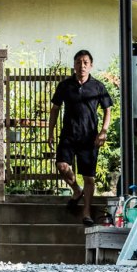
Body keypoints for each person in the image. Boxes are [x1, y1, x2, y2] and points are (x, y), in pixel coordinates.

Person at [47, 49, 112, 226]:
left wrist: (103, 131)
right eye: (78, 62)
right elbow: (55, 109)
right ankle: (76, 190)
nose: (82, 66)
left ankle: (86, 212)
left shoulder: (98, 86)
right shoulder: (65, 85)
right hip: (68, 135)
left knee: (89, 177)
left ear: (90, 65)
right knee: (62, 166)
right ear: (74, 65)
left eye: (85, 62)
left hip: (89, 138)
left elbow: (107, 110)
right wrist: (50, 132)